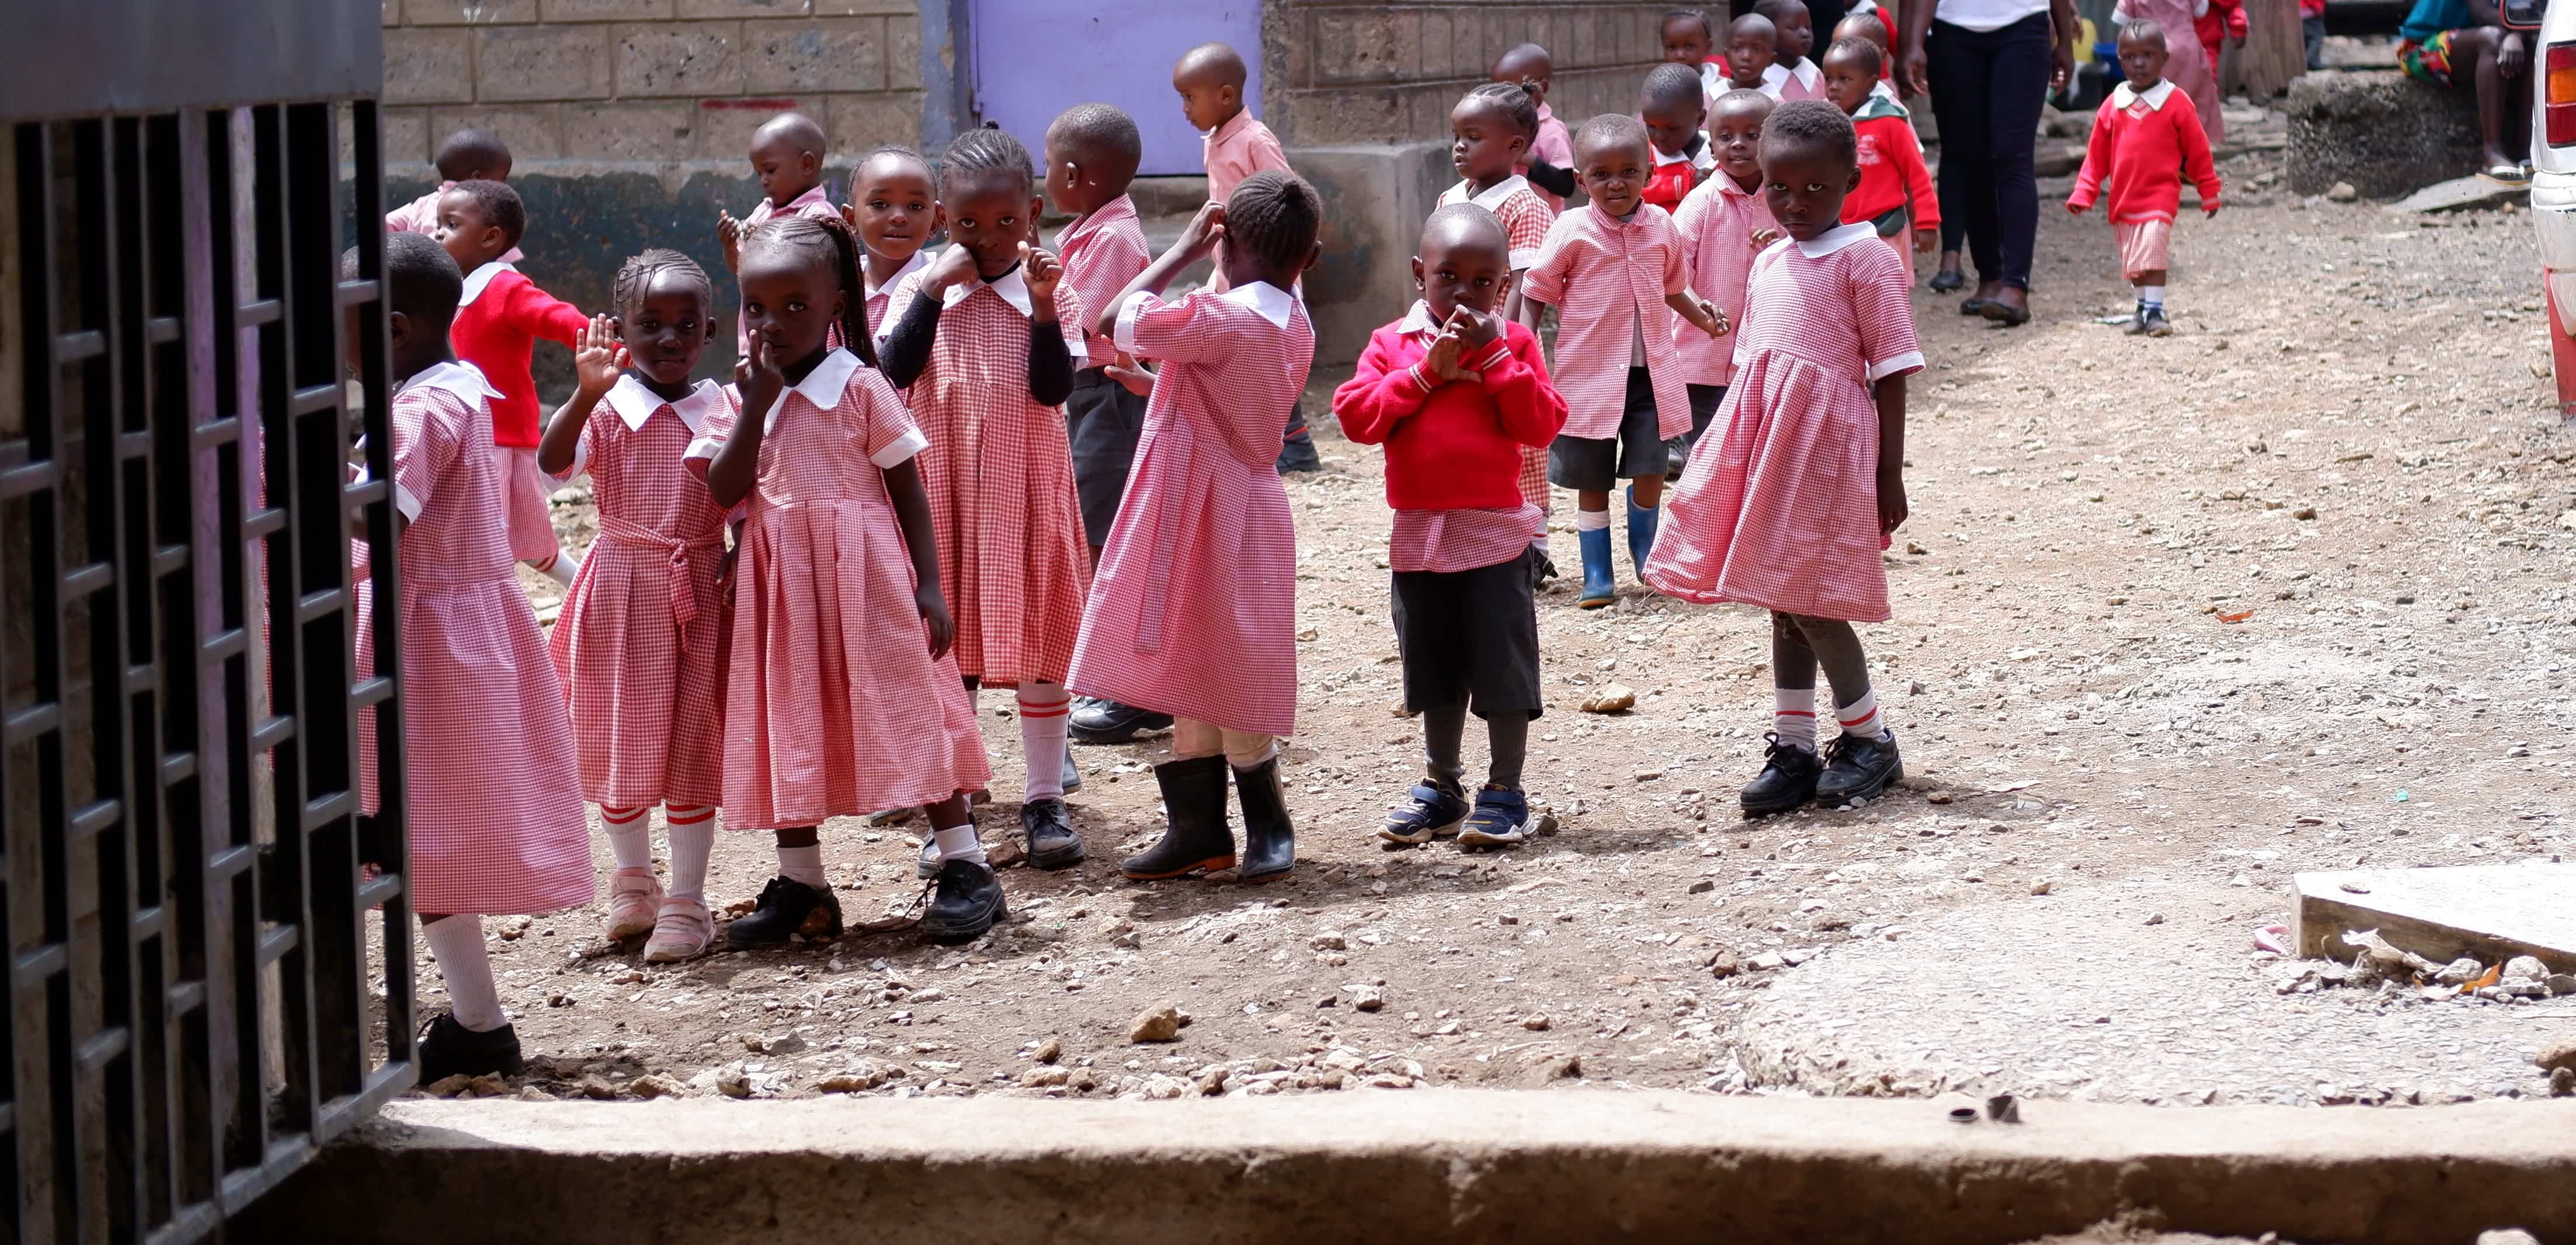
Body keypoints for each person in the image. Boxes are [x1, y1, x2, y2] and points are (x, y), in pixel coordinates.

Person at [687, 215, 1003, 944]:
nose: (774, 324)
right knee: (790, 714)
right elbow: (722, 488)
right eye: (758, 308)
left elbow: (909, 490)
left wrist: (930, 584)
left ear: (836, 305)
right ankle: (804, 884)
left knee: (910, 708)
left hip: (869, 580)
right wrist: (758, 406)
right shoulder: (739, 398)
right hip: (781, 590)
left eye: (796, 306)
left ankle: (966, 865)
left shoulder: (861, 384)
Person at [348, 232, 590, 1082]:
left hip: (427, 640)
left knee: (410, 829)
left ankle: (478, 1020)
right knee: (420, 832)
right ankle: (476, 1019)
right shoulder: (458, 392)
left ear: (394, 329)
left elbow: (380, 517)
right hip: (455, 625)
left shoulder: (418, 411)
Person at [1641, 101, 1921, 817]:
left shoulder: (1868, 259)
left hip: (1826, 452)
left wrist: (1889, 470)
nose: (1796, 204)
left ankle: (1868, 737)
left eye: (1815, 189)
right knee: (1780, 597)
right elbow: (1753, 372)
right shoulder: (1768, 261)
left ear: (1850, 182)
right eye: (1780, 189)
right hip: (1768, 447)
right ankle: (1795, 745)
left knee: (1811, 598)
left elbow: (1889, 369)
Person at [1071, 172, 1321, 884]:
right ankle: (1201, 829)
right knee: (1203, 655)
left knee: (1221, 662)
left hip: (1199, 504)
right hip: (1246, 499)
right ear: (1306, 256)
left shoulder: (1217, 318)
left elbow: (1114, 314)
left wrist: (1180, 246)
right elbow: (1238, 391)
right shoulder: (1292, 322)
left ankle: (1264, 821)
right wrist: (1164, 385)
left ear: (1227, 244)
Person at [877, 127, 1091, 874]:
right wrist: (935, 288)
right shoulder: (923, 287)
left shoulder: (1052, 289)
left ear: (1032, 213)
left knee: (1039, 638)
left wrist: (1040, 308)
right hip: (946, 500)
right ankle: (955, 799)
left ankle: (1042, 796)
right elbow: (892, 371)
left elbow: (1054, 388)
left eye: (1006, 222)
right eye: (968, 224)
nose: (989, 239)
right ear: (943, 220)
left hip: (1026, 490)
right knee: (950, 650)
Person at [1335, 206, 1568, 850]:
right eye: (1448, 277)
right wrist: (1422, 376)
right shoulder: (1392, 343)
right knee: (1433, 665)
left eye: (1483, 281)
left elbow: (1541, 423)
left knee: (1502, 665)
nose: (1465, 293)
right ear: (1419, 275)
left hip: (1494, 534)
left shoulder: (1513, 344)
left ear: (1503, 285)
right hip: (1418, 535)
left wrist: (1493, 357)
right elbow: (1356, 418)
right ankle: (1441, 786)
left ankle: (1505, 791)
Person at [535, 253, 733, 963]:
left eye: (686, 325)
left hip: (701, 587)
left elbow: (745, 492)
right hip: (619, 588)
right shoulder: (611, 406)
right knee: (621, 733)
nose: (670, 338)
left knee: (689, 743)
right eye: (650, 325)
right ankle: (632, 880)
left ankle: (687, 896)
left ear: (710, 330)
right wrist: (584, 395)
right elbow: (553, 464)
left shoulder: (724, 406)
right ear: (619, 330)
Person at [1514, 114, 1728, 610]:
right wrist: (1525, 347)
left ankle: (1646, 555)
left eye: (1628, 172)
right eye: (1601, 174)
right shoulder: (1571, 228)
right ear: (1581, 179)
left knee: (1651, 467)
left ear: (1648, 171)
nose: (1616, 184)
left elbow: (1673, 285)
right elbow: (1536, 289)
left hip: (1652, 374)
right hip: (1588, 379)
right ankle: (1596, 573)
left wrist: (1703, 318)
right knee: (1592, 478)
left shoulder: (1660, 227)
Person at [1047, 104, 1171, 751]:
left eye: (1048, 168)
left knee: (1107, 541)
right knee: (1094, 535)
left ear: (1074, 173)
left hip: (1111, 401)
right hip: (1092, 397)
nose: (1045, 179)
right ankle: (1114, 674)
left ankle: (1131, 686)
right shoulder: (1091, 232)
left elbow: (1081, 323)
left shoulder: (1114, 240)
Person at [429, 178, 588, 587]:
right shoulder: (447, 289)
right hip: (456, 435)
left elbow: (557, 317)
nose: (437, 233)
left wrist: (601, 342)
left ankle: (506, 622)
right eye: (437, 223)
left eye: (450, 224)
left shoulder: (504, 286)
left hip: (496, 440)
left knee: (487, 545)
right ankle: (586, 586)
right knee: (518, 541)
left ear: (490, 238)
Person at [1174, 41, 1320, 474]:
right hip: (1233, 269)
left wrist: (1285, 262)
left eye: (1189, 98)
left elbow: (1289, 195)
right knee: (1243, 358)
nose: (1183, 108)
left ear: (1224, 95)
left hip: (1266, 271)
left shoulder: (1254, 140)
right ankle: (1264, 442)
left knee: (1269, 357)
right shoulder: (1216, 139)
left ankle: (1297, 448)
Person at [1439, 82, 1560, 580]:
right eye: (1455, 136)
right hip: (1451, 337)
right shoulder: (1451, 197)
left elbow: (1522, 285)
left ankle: (1529, 547)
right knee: (1463, 435)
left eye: (1473, 136)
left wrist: (1503, 345)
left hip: (1500, 344)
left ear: (1514, 147)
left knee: (1520, 445)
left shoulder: (1524, 206)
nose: (1459, 146)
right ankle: (1470, 535)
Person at [1899, 0, 2080, 325]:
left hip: (2024, 27)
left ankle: (2015, 285)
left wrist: (2064, 39)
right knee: (1970, 159)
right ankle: (1990, 277)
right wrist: (1914, 42)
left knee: (2012, 157)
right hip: (1952, 33)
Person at [2067, 20, 2223, 337]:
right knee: (2135, 260)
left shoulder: (2176, 102)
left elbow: (2198, 150)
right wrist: (2084, 192)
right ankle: (2142, 307)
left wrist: (2209, 189)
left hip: (2160, 195)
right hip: (2124, 197)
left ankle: (2155, 310)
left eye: (2148, 55)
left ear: (2165, 58)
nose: (2139, 63)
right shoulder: (2113, 105)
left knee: (2153, 248)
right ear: (2119, 59)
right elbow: (2097, 155)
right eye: (2130, 56)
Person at [1671, 90, 1780, 467]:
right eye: (1726, 136)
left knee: (1756, 454)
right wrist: (1696, 310)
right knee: (1706, 457)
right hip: (1701, 357)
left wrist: (1785, 243)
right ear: (1710, 141)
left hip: (1767, 353)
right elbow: (1670, 270)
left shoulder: (1786, 201)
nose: (1738, 144)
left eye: (1753, 135)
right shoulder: (1701, 202)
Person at [717, 113, 843, 360]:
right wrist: (730, 246)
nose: (763, 181)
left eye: (770, 170)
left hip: (802, 346)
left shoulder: (819, 218)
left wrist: (773, 248)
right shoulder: (762, 213)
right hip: (757, 343)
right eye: (759, 174)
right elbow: (744, 276)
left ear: (807, 165)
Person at [1823, 37, 1940, 286]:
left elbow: (1917, 174)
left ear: (1870, 84)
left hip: (1885, 229)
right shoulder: (1826, 123)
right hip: (1839, 231)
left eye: (1844, 79)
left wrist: (1927, 222)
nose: (1833, 87)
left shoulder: (1889, 123)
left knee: (1888, 296)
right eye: (1828, 78)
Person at [2395, 0, 2532, 182]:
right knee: (2492, 39)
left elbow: (2533, 15)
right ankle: (2492, 153)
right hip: (2421, 47)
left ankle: (2525, 151)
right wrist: (2517, 32)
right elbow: (2481, 13)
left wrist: (2519, 36)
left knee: (2533, 42)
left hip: (2477, 40)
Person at [842, 145, 945, 338]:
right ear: (850, 220)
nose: (899, 217)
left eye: (915, 206)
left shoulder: (942, 290)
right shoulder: (837, 290)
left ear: (934, 223)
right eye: (879, 204)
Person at [388, 128, 522, 265]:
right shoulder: (486, 211)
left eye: (451, 225)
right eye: (502, 179)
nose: (505, 185)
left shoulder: (421, 205)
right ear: (477, 178)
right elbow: (501, 261)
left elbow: (389, 223)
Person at [2114, 0, 2226, 145]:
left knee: (2154, 101)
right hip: (2186, 48)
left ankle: (2156, 143)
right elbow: (2201, 10)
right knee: (2195, 99)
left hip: (2150, 51)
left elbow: (2122, 18)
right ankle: (2193, 148)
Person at [1494, 43, 1577, 214]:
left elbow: (1566, 186)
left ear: (1542, 88)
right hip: (1504, 222)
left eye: (1515, 92)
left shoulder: (1550, 133)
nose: (1505, 100)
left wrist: (1529, 161)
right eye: (1497, 92)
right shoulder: (1497, 127)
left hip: (1541, 225)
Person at [1642, 62, 1718, 217]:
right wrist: (1685, 183)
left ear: (1700, 119)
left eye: (1672, 128)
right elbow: (1636, 190)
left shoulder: (1717, 154)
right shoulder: (1642, 154)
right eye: (1651, 126)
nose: (1660, 136)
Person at [1758, 0, 1830, 101]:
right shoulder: (1760, 79)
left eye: (1808, 27)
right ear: (1767, 32)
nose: (1805, 33)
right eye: (1793, 28)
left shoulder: (1815, 74)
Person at [1663, 8, 1729, 105]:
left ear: (1708, 47)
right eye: (1672, 48)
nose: (1680, 55)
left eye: (1689, 47)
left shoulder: (1723, 91)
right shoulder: (1659, 91)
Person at [1728, 13, 1784, 92]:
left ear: (1772, 59)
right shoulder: (1713, 95)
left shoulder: (1774, 101)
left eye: (1757, 50)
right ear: (1726, 55)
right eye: (1737, 48)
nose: (1746, 57)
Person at [2196, 0, 2250, 79]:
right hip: (2176, 42)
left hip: (2206, 41)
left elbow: (2232, 5)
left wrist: (2238, 27)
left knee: (2206, 77)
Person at [2302, 0, 2328, 71]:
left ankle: (2314, 63)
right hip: (2310, 12)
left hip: (2304, 12)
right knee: (2316, 39)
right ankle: (2306, 62)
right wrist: (2318, 8)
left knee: (2308, 38)